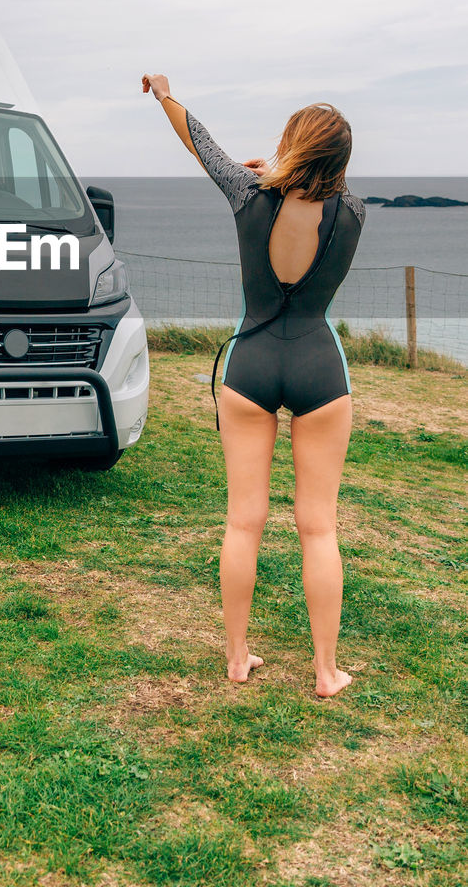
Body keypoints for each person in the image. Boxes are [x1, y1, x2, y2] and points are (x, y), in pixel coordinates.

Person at [142, 74, 365, 697]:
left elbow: (201, 142)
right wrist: (281, 175)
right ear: (341, 160)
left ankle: (239, 657)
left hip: (251, 364)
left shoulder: (247, 193)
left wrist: (164, 92)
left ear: (293, 144)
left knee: (244, 522)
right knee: (318, 526)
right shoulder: (356, 212)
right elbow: (317, 200)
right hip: (321, 366)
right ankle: (326, 672)